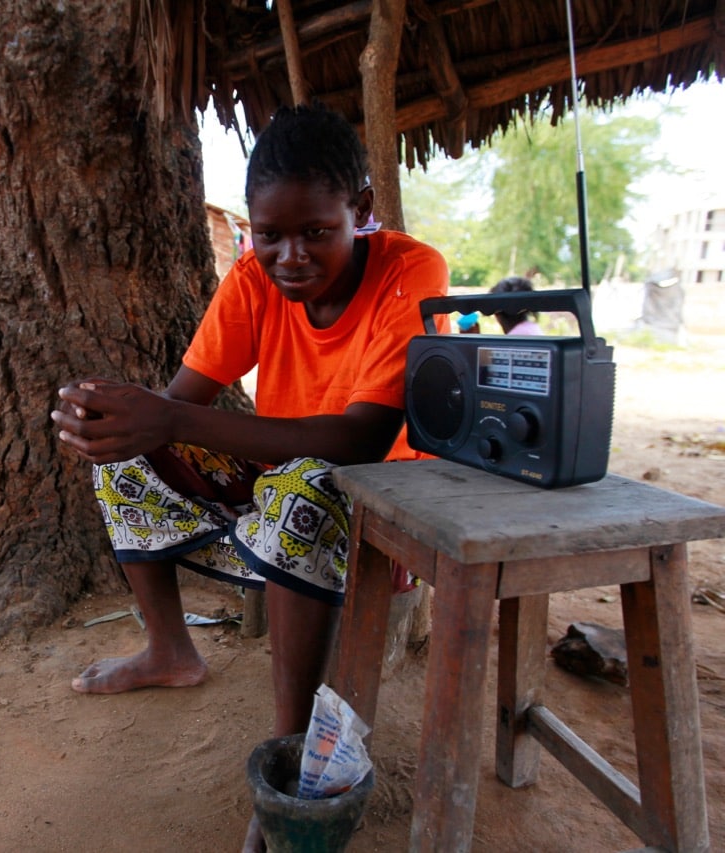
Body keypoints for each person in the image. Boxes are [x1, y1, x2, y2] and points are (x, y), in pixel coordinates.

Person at [51, 104, 448, 850]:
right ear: (251, 228)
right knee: (130, 458)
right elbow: (180, 404)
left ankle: (288, 755)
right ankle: (171, 650)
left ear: (359, 212)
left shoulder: (410, 270)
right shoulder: (253, 277)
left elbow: (361, 436)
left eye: (315, 232)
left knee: (305, 488)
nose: (289, 255)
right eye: (270, 235)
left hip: (380, 503)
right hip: (282, 479)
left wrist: (169, 421)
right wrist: (112, 418)